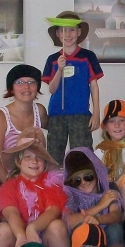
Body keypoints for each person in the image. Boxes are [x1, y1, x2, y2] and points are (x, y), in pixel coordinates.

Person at [43, 11, 103, 162]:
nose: (67, 34)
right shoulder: (53, 59)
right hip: (56, 114)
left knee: (82, 155)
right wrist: (59, 70)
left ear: (79, 32)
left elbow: (94, 86)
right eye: (63, 30)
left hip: (80, 113)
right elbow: (52, 89)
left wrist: (96, 112)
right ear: (57, 33)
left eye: (72, 29)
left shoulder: (88, 56)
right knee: (54, 155)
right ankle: (55, 178)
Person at [0, 64, 48, 184]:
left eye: (31, 82)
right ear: (11, 89)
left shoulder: (40, 111)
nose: (26, 86)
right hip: (2, 178)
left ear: (37, 87)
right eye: (19, 82)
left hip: (31, 175)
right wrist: (15, 189)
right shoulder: (0, 117)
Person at [63, 147, 124, 247]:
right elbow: (70, 221)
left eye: (88, 176)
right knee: (83, 229)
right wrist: (101, 206)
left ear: (96, 174)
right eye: (76, 180)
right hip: (83, 245)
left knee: (114, 229)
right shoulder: (70, 194)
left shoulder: (109, 187)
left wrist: (98, 220)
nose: (83, 182)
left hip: (108, 239)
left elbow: (116, 215)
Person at [94, 99, 125, 183]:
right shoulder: (100, 153)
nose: (117, 125)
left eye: (121, 120)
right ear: (106, 127)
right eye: (111, 121)